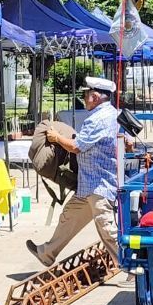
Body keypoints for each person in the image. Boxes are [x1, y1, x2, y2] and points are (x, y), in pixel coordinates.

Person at [26, 76, 121, 266]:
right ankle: (47, 253)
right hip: (89, 183)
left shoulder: (96, 120)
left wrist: (56, 138)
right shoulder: (113, 113)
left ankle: (132, 267)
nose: (84, 98)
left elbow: (77, 146)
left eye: (85, 94)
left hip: (98, 185)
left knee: (107, 231)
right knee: (69, 217)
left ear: (95, 96)